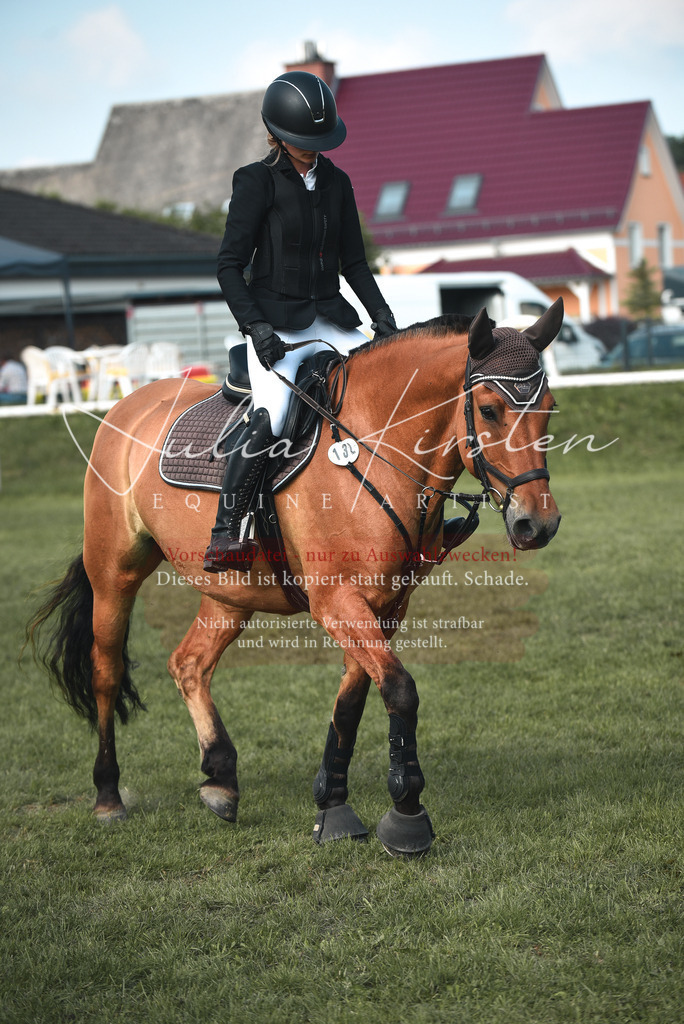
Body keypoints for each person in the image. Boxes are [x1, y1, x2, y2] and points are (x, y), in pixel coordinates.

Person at [204, 71, 397, 572]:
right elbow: (229, 266)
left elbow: (353, 262)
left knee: (390, 390)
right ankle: (227, 531)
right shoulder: (255, 181)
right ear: (279, 135)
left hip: (330, 319)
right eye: (303, 143)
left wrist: (383, 319)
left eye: (318, 142)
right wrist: (257, 328)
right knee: (272, 416)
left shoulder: (338, 182)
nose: (313, 151)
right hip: (276, 328)